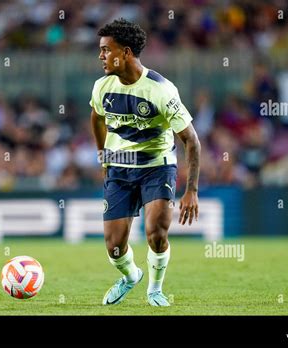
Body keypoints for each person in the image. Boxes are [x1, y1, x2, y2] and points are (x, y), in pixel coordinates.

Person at [89, 19, 201, 307]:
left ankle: (155, 289)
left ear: (125, 52)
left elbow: (191, 140)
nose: (101, 56)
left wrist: (192, 190)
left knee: (156, 233)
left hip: (157, 166)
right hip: (119, 168)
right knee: (114, 247)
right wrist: (103, 155)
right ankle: (130, 276)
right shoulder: (102, 87)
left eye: (105, 50)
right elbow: (97, 118)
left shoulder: (161, 90)